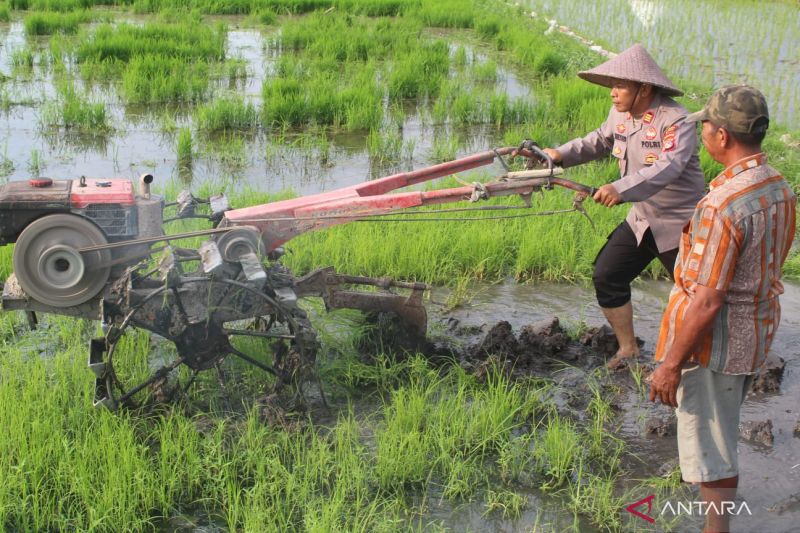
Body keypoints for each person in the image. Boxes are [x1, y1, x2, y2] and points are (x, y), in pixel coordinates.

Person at [649, 85, 796, 533]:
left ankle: (717, 530)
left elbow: (708, 299)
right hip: (754, 332)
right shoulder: (777, 185)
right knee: (721, 435)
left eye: (706, 127)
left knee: (712, 449)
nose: (704, 134)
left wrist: (671, 364)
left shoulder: (723, 204)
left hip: (714, 347)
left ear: (722, 137)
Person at [542, 44, 705, 369]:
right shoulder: (620, 114)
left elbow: (667, 167)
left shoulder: (676, 121)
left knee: (699, 297)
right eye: (612, 85)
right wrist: (558, 155)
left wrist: (619, 188)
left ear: (644, 88)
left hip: (679, 226)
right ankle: (628, 348)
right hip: (642, 217)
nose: (613, 93)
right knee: (608, 274)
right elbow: (599, 141)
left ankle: (700, 361)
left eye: (620, 86)